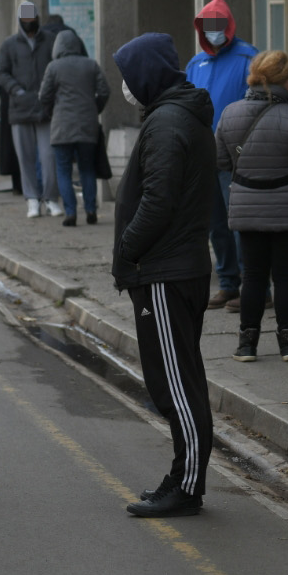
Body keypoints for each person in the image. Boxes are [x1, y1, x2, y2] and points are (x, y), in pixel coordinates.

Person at [111, 33, 217, 518]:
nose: (126, 88)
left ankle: (187, 487)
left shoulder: (168, 121)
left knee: (176, 385)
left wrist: (128, 248)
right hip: (173, 267)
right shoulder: (174, 115)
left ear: (147, 75)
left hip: (165, 270)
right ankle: (180, 476)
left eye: (129, 77)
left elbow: (158, 202)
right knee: (172, 381)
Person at [215, 50, 288, 363]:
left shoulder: (230, 113)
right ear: (282, 80)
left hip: (248, 208)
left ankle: (247, 345)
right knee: (285, 277)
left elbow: (223, 160)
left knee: (251, 276)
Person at [185, 0, 259, 310]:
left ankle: (254, 285)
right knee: (216, 224)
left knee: (240, 222)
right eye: (207, 27)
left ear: (228, 26)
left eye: (217, 26)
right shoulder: (195, 64)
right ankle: (228, 283)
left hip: (237, 156)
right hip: (204, 157)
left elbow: (261, 102)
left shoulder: (248, 57)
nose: (213, 32)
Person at [39, 28, 109, 226]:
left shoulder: (53, 67)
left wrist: (53, 112)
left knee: (63, 170)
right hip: (87, 126)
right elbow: (105, 91)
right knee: (87, 168)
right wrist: (94, 109)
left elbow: (43, 96)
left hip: (61, 126)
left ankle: (70, 212)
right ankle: (90, 209)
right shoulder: (91, 65)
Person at [0, 1, 60, 220]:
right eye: (25, 20)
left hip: (45, 109)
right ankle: (32, 199)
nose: (29, 23)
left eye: (31, 19)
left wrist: (50, 93)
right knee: (25, 157)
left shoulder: (50, 42)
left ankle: (51, 199)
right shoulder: (9, 45)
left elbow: (56, 68)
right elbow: (2, 72)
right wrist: (16, 90)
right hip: (20, 109)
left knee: (49, 156)